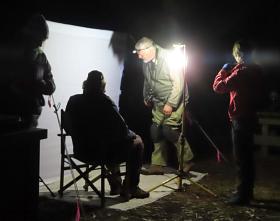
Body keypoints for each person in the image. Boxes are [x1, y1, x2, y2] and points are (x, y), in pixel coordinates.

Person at [65, 70, 149, 200]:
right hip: (101, 152)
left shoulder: (73, 100)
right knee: (137, 142)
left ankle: (116, 185)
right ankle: (131, 187)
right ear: (102, 85)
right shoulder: (105, 102)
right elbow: (122, 129)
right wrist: (133, 135)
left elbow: (67, 126)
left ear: (86, 83)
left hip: (82, 151)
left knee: (110, 141)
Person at [213, 40, 265, 205]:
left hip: (240, 118)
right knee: (247, 157)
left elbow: (218, 87)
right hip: (250, 116)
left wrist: (223, 70)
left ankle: (242, 196)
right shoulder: (256, 70)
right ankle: (247, 191)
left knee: (242, 158)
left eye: (236, 55)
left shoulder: (242, 72)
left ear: (239, 55)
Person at [133, 37, 194, 175]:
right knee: (155, 130)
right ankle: (158, 164)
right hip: (159, 101)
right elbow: (147, 80)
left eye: (140, 52)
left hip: (175, 100)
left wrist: (170, 103)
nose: (138, 55)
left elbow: (179, 83)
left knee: (169, 130)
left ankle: (187, 160)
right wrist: (146, 96)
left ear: (149, 49)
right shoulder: (146, 61)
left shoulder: (168, 58)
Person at [0, 14, 55, 130]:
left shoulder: (41, 57)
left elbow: (51, 84)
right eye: (39, 38)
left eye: (43, 39)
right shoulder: (10, 52)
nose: (40, 44)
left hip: (31, 116)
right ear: (29, 35)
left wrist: (44, 85)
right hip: (9, 113)